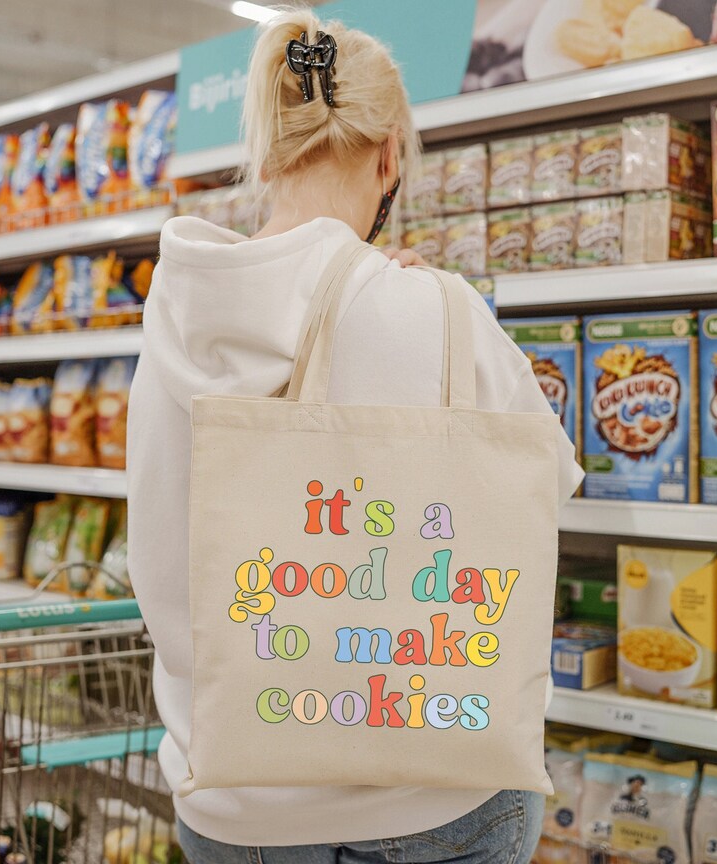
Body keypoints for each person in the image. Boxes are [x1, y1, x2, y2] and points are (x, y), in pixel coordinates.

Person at [126, 9, 583, 863]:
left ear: (265, 155)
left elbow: (156, 539)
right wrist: (436, 311)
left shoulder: (175, 316)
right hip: (434, 785)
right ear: (390, 157)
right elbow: (548, 480)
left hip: (231, 798)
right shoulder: (437, 309)